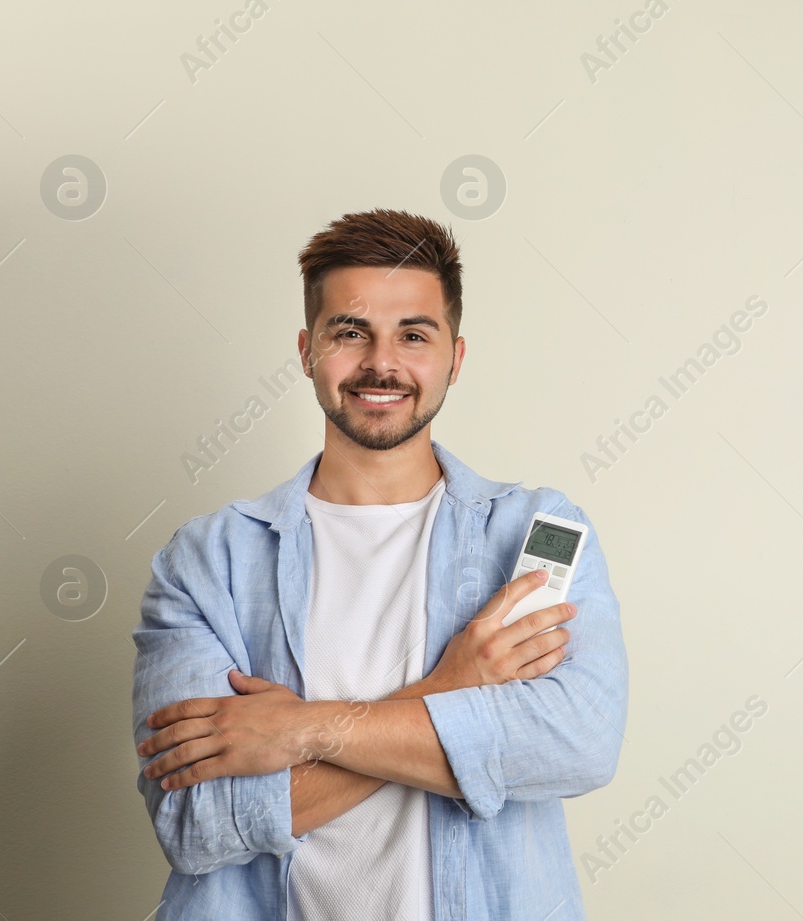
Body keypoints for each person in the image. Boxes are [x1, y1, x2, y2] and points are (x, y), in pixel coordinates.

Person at [130, 209, 629, 920]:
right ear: (307, 351)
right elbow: (195, 824)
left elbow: (578, 744)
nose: (381, 364)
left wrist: (301, 728)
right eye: (350, 332)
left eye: (413, 335)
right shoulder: (208, 562)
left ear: (455, 357)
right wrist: (450, 688)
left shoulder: (537, 534)